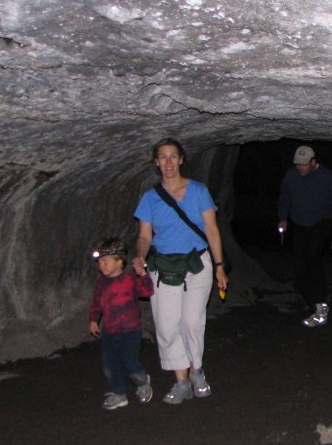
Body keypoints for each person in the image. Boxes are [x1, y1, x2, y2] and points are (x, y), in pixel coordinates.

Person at [132, 138, 229, 405]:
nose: (168, 162)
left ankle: (196, 369)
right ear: (156, 163)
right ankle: (181, 380)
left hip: (197, 263)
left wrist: (220, 266)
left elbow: (211, 230)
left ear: (182, 159)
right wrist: (139, 256)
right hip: (163, 266)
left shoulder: (198, 191)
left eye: (173, 156)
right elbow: (144, 236)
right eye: (162, 157)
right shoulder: (151, 198)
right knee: (166, 325)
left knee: (190, 321)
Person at [277, 145, 332, 327]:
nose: (300, 168)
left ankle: (321, 304)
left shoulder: (328, 178)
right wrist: (283, 218)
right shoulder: (291, 176)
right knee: (300, 268)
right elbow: (285, 196)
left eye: (304, 165)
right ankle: (315, 305)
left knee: (312, 257)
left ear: (313, 162)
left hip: (321, 222)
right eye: (297, 164)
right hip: (299, 224)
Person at [88, 237, 154, 410]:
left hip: (130, 332)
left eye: (106, 261)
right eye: (99, 261)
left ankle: (142, 380)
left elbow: (148, 291)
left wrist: (143, 275)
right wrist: (94, 320)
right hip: (109, 332)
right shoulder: (101, 282)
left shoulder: (130, 280)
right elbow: (96, 302)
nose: (101, 265)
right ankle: (118, 394)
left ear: (120, 262)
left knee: (130, 363)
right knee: (110, 365)